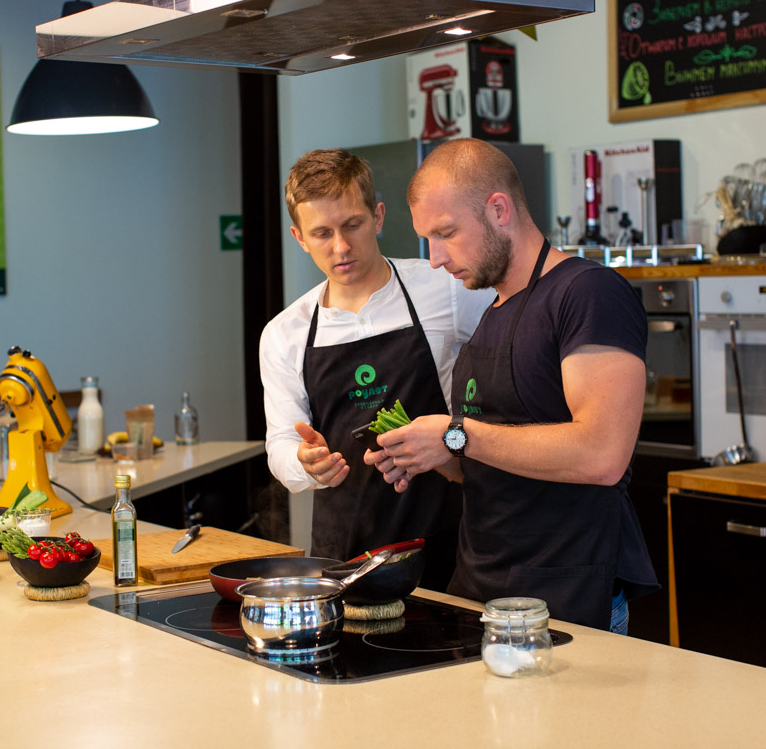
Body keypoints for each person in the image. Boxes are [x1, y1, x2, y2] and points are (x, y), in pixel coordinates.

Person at [367, 138, 658, 633]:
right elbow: (491, 461)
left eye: (446, 234)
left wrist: (455, 436)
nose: (435, 258)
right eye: (427, 240)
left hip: (567, 600)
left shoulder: (588, 293)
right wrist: (433, 454)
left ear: (498, 209)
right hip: (481, 592)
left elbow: (603, 455)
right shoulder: (491, 313)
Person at [259, 148, 494, 588]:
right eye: (322, 233)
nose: (341, 247)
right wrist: (304, 463)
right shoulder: (284, 333)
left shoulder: (445, 288)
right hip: (346, 551)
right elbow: (280, 444)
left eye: (353, 225)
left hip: (449, 539)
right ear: (299, 237)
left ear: (379, 216)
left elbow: (514, 361)